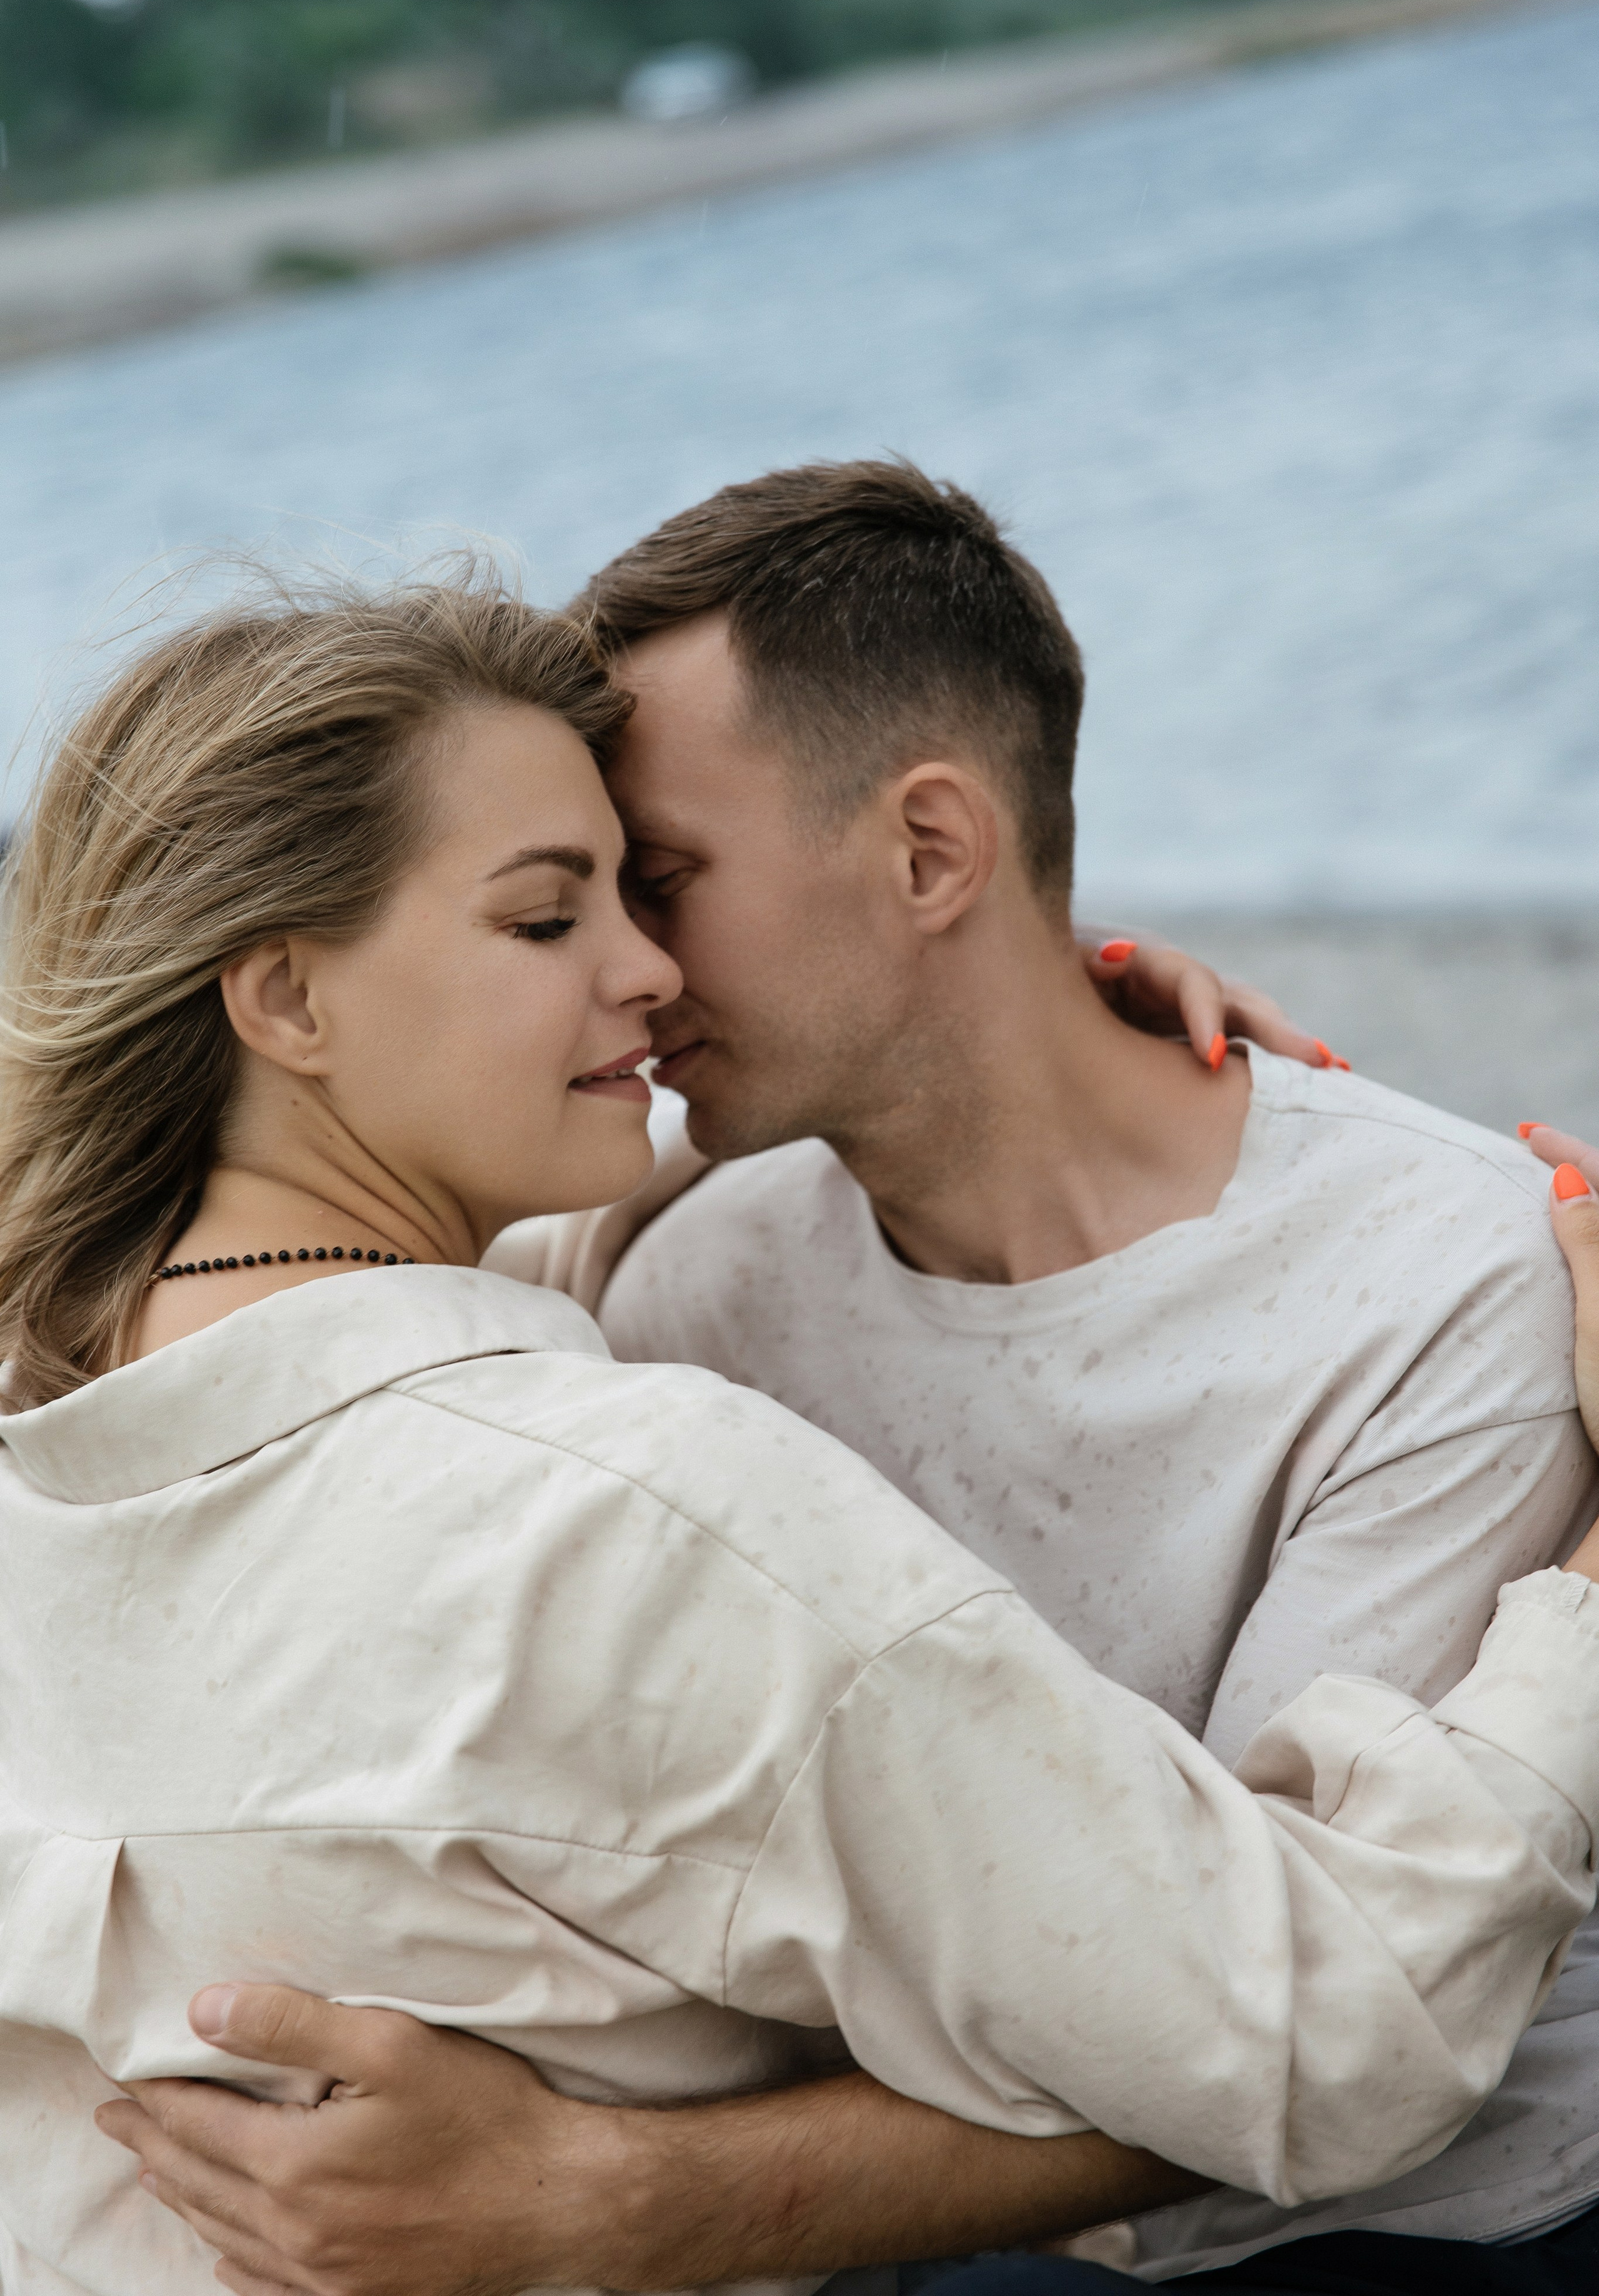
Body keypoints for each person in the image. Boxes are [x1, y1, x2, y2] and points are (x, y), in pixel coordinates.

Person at [3, 569, 1598, 2296]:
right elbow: (1331, 2034)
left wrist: (1007, 1027)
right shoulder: (647, 1515)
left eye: (651, 883)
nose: (648, 971)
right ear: (287, 1002)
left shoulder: (52, 1476)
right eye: (554, 917)